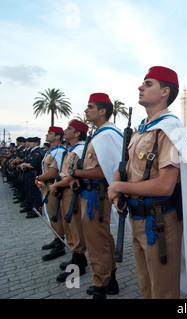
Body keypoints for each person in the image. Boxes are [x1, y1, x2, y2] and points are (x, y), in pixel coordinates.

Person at [108, 66, 187, 299]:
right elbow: (127, 169)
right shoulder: (142, 130)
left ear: (165, 91)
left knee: (163, 291)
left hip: (158, 223)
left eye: (148, 83)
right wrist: (117, 186)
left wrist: (120, 187)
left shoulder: (169, 129)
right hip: (137, 217)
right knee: (147, 287)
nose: (141, 87)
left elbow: (165, 185)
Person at [69, 93, 123, 299]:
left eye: (90, 107)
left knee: (96, 242)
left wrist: (78, 173)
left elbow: (105, 171)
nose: (86, 110)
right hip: (91, 193)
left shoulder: (106, 135)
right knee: (102, 239)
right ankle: (109, 280)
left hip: (96, 196)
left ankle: (101, 285)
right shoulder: (99, 134)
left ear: (102, 111)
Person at [49, 120, 89, 282]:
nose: (65, 131)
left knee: (76, 229)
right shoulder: (70, 149)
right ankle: (76, 258)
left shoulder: (80, 150)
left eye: (69, 129)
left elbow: (74, 174)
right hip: (64, 192)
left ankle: (78, 264)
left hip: (73, 194)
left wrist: (57, 184)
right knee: (69, 227)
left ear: (77, 133)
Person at [36, 126, 67, 261]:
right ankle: (56, 238)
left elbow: (54, 172)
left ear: (57, 137)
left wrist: (38, 178)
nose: (47, 135)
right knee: (52, 214)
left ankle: (60, 244)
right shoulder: (52, 151)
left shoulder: (59, 152)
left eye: (50, 133)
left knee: (56, 215)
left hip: (54, 187)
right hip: (48, 186)